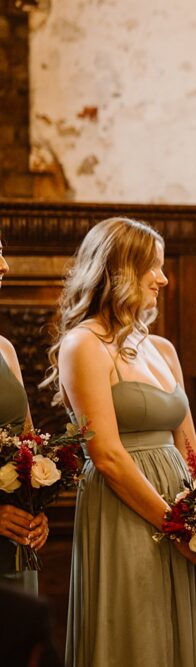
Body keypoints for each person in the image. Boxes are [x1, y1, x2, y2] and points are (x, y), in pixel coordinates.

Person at [44, 217, 196, 667]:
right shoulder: (83, 345)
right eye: (153, 266)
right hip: (126, 508)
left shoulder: (162, 349)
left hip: (181, 508)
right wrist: (179, 531)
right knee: (137, 634)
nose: (164, 279)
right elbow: (107, 455)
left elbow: (191, 450)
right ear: (119, 269)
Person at [0, 235, 49, 593]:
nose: (4, 266)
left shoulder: (5, 349)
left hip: (15, 539)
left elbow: (28, 445)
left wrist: (37, 507)